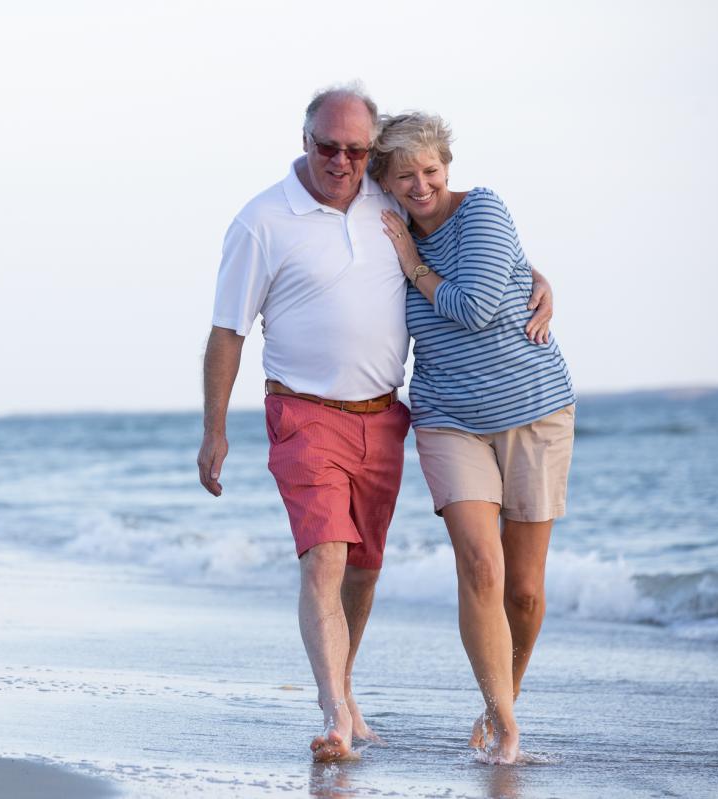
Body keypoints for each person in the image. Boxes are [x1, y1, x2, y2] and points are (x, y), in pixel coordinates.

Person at [196, 84, 553, 762]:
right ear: (305, 143)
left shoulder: (385, 198)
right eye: (328, 147)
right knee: (325, 554)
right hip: (303, 412)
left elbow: (461, 244)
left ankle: (344, 688)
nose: (342, 161)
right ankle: (334, 710)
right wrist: (214, 429)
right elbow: (225, 332)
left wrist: (537, 277)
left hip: (384, 414)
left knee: (363, 567)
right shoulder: (262, 221)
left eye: (357, 150)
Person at [371, 112, 576, 764]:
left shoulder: (483, 209)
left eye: (430, 170)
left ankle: (501, 698)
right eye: (406, 175)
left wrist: (413, 264)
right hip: (446, 417)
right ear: (387, 182)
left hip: (534, 410)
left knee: (524, 588)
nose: (421, 184)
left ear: (447, 165)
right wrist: (402, 251)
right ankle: (507, 724)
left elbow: (476, 305)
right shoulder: (385, 225)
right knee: (480, 566)